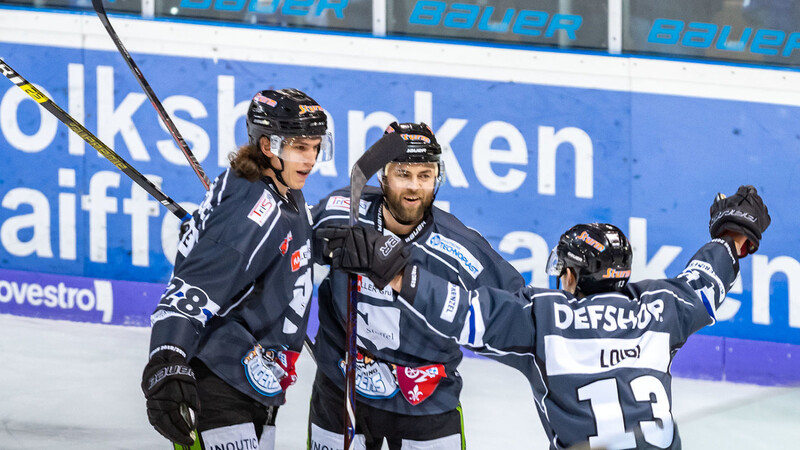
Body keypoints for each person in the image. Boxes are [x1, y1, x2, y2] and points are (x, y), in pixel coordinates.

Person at [323, 185, 770, 449]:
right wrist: (735, 235)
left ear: (573, 275)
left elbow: (460, 313)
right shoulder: (663, 308)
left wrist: (396, 272)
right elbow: (707, 280)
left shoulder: (544, 318)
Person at [309, 122, 525, 449]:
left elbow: (519, 313)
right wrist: (317, 246)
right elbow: (286, 250)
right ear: (383, 176)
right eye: (403, 174)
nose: (414, 187)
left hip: (425, 405)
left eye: (424, 175)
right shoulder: (341, 212)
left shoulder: (461, 248)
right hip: (342, 392)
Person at [140, 88, 332, 449]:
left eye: (315, 146)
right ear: (267, 146)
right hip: (221, 382)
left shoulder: (281, 190)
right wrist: (166, 360)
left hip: (255, 382)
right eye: (299, 147)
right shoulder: (255, 208)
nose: (310, 159)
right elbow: (192, 288)